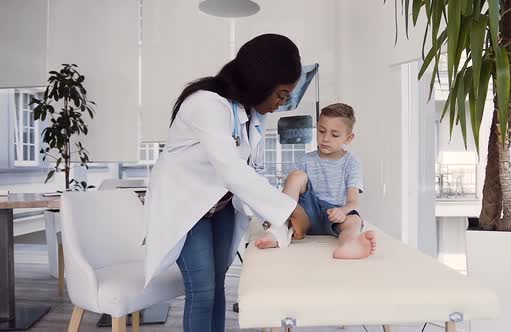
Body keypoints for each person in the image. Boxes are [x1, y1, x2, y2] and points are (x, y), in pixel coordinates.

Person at [143, 34, 302, 332]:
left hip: (222, 207)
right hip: (187, 210)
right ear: (260, 81)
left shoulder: (254, 113)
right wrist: (287, 209)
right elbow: (231, 169)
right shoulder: (205, 104)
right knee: (202, 292)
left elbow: (252, 170)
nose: (282, 103)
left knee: (217, 287)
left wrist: (276, 215)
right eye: (281, 94)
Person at [255, 103, 377, 259]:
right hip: (306, 216)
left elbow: (353, 202)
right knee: (297, 175)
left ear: (349, 138)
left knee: (353, 221)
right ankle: (277, 230)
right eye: (321, 131)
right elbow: (290, 193)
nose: (325, 138)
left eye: (334, 134)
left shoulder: (352, 162)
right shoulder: (305, 160)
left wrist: (342, 211)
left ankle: (350, 244)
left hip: (335, 215)